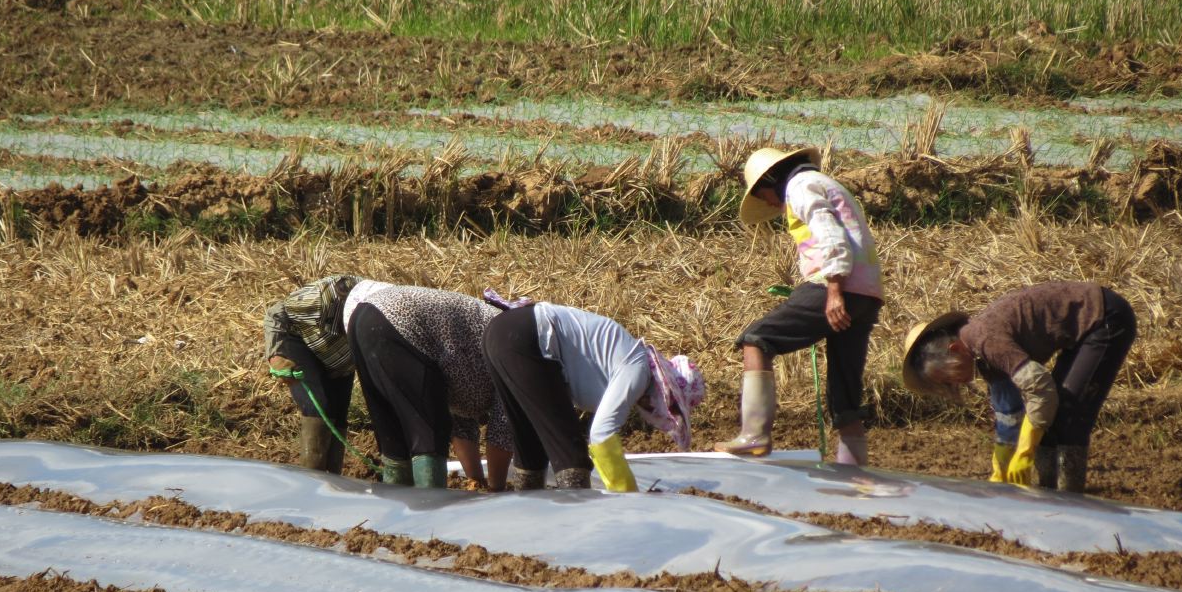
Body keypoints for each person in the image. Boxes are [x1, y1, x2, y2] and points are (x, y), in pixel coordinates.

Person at [714, 146, 883, 465]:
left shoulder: (801, 187)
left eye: (761, 193)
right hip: (868, 293)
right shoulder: (826, 183)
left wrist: (833, 290)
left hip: (837, 284)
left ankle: (754, 435)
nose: (765, 202)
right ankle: (854, 470)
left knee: (756, 340)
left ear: (771, 179)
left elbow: (832, 238)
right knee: (844, 394)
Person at [901, 281, 1137, 492]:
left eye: (947, 377)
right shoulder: (980, 356)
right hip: (1080, 333)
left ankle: (1069, 496)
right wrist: (1001, 462)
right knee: (1049, 418)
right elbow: (1009, 410)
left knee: (1068, 412)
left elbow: (1041, 390)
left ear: (954, 351)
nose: (954, 383)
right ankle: (1049, 492)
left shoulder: (985, 341)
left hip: (1102, 317)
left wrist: (1024, 451)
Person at [482, 302, 705, 491]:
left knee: (530, 449)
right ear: (664, 389)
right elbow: (601, 434)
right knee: (571, 455)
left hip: (501, 333)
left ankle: (529, 525)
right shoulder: (638, 369)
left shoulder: (629, 361)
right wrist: (628, 497)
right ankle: (581, 528)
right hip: (528, 336)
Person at [343, 281, 513, 490]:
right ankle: (430, 511)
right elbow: (502, 431)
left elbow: (463, 424)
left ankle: (398, 511)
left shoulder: (471, 379)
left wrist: (476, 480)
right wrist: (497, 491)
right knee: (428, 429)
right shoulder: (518, 358)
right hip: (401, 319)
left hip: (363, 318)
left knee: (393, 435)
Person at [264, 274, 360, 473]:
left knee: (339, 412)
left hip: (340, 356)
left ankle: (333, 482)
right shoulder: (314, 299)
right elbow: (275, 314)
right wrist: (275, 357)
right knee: (320, 407)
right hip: (303, 343)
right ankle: (312, 481)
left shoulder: (371, 302)